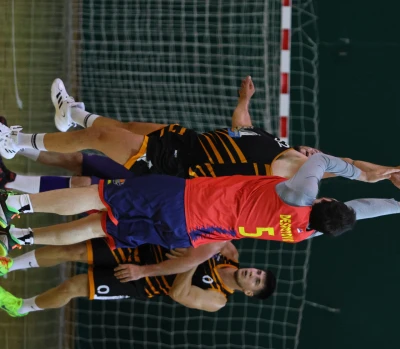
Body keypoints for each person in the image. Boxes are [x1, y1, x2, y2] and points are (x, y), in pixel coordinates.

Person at [0, 151, 397, 276]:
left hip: (184, 201)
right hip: (187, 235)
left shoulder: (301, 194)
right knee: (97, 226)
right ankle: (21, 238)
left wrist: (366, 174)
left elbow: (322, 161)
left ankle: (17, 205)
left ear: (325, 202)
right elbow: (362, 212)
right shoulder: (302, 233)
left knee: (98, 195)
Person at [1, 77, 399, 193]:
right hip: (187, 140)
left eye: (321, 160)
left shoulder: (291, 170)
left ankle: (15, 143)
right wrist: (244, 100)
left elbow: (357, 170)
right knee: (120, 127)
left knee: (101, 141)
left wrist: (389, 173)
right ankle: (73, 113)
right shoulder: (280, 145)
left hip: (181, 165)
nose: (316, 153)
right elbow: (240, 127)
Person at [0, 239, 276, 317]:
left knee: (73, 286)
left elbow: (178, 294)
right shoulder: (229, 252)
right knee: (73, 250)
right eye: (258, 272)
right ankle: (9, 264)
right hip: (144, 248)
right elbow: (206, 228)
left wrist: (193, 259)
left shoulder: (218, 299)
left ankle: (21, 307)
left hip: (141, 281)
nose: (253, 273)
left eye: (256, 281)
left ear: (248, 292)